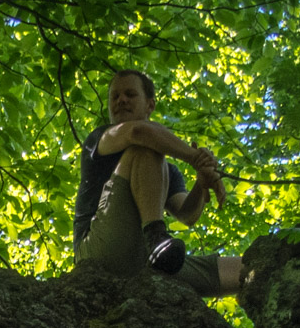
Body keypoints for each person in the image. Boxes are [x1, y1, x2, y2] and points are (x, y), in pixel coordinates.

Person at [73, 69, 242, 297]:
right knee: (146, 148)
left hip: (143, 259)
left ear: (150, 105)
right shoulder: (101, 138)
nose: (121, 100)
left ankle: (157, 246)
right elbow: (140, 132)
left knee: (243, 269)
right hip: (97, 251)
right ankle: (156, 236)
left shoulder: (163, 169)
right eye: (115, 97)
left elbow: (187, 214)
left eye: (130, 94)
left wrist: (200, 185)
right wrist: (195, 158)